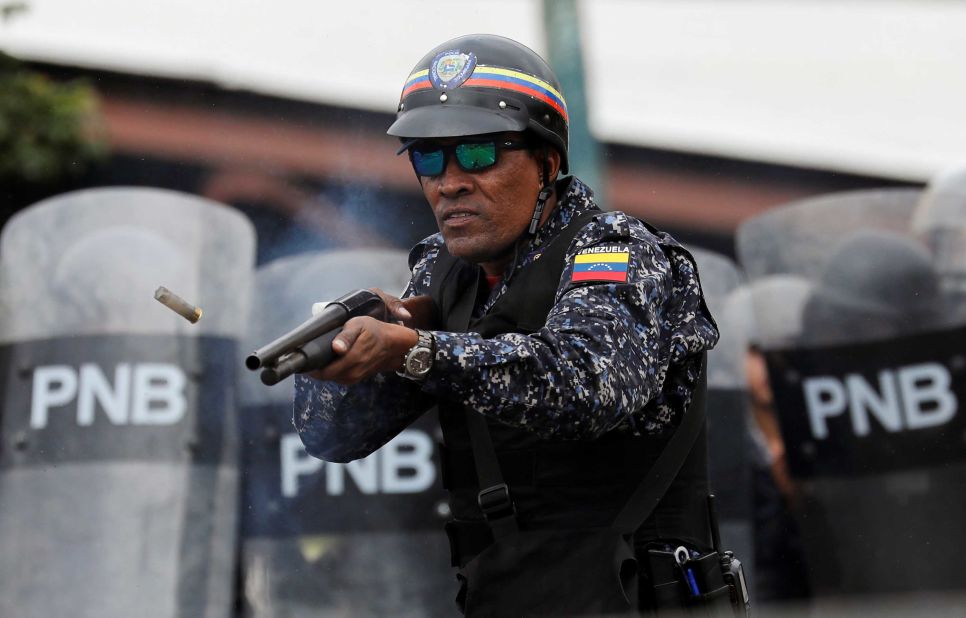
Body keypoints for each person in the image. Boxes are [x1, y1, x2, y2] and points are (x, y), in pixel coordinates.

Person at [293, 34, 720, 614]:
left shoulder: (613, 248)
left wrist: (418, 350)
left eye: (476, 154)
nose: (449, 182)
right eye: (427, 157)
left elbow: (586, 387)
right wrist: (335, 352)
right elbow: (335, 437)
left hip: (635, 596)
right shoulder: (443, 272)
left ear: (546, 161)